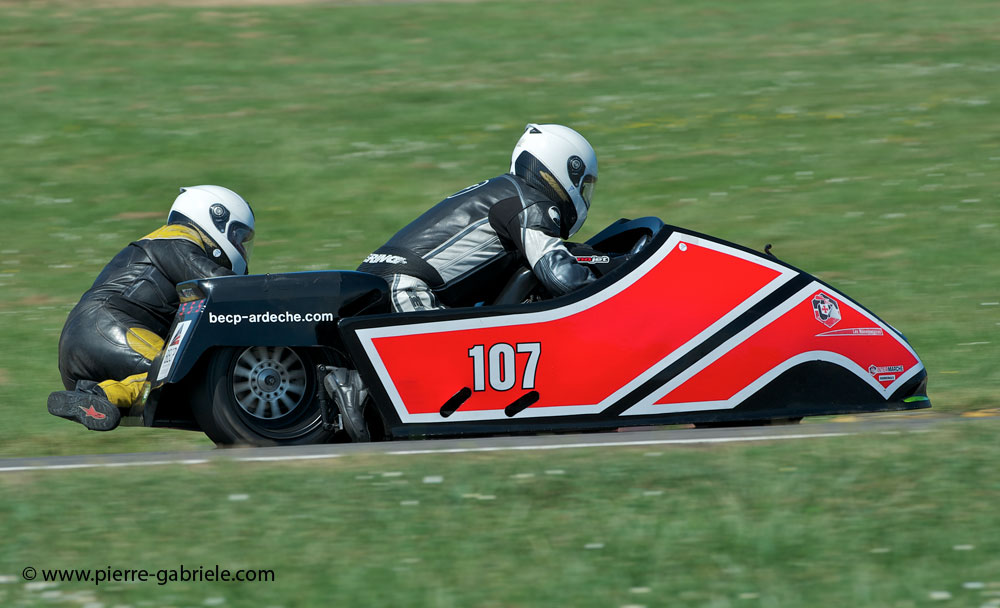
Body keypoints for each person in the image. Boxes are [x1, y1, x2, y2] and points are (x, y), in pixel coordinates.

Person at [47, 185, 256, 431]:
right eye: (237, 237)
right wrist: (273, 295)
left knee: (181, 389)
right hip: (106, 327)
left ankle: (92, 397)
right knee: (187, 375)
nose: (240, 247)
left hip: (85, 341)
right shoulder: (177, 239)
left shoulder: (167, 242)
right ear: (216, 218)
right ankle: (101, 394)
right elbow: (220, 285)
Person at [356, 123, 600, 311]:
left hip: (380, 281)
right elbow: (560, 276)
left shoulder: (504, 192)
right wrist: (611, 296)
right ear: (567, 169)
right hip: (407, 288)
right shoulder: (530, 203)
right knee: (454, 370)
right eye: (584, 186)